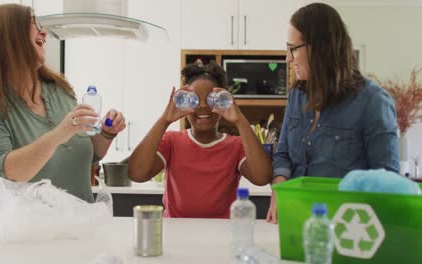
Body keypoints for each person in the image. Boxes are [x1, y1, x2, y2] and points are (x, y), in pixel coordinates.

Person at [0, 4, 126, 202]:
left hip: (76, 228)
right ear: (10, 39)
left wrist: (106, 133)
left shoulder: (58, 90)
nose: (44, 32)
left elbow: (86, 154)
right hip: (18, 231)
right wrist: (60, 133)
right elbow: (1, 176)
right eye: (34, 24)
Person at [267, 3, 400, 223]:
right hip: (295, 219)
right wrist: (278, 189)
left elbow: (387, 184)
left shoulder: (373, 101)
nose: (288, 59)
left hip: (347, 228)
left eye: (293, 48)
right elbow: (283, 155)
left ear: (320, 48)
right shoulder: (296, 95)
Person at [128, 61, 272, 218]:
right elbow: (137, 173)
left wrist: (240, 120)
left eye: (211, 100)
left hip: (220, 234)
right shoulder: (172, 141)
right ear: (184, 101)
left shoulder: (236, 145)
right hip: (176, 233)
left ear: (223, 101)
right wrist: (164, 120)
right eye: (194, 100)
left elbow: (262, 177)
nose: (203, 106)